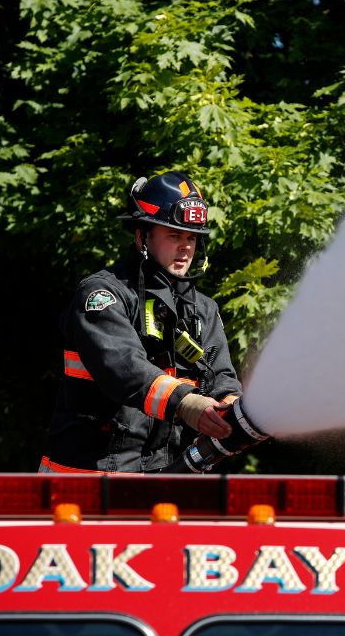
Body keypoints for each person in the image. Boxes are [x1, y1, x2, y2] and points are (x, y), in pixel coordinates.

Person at [40, 172, 245, 473]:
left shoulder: (202, 309)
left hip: (160, 477)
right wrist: (186, 404)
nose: (186, 247)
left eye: (191, 237)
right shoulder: (102, 295)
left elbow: (221, 377)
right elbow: (124, 369)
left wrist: (234, 412)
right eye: (174, 235)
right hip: (82, 478)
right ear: (141, 236)